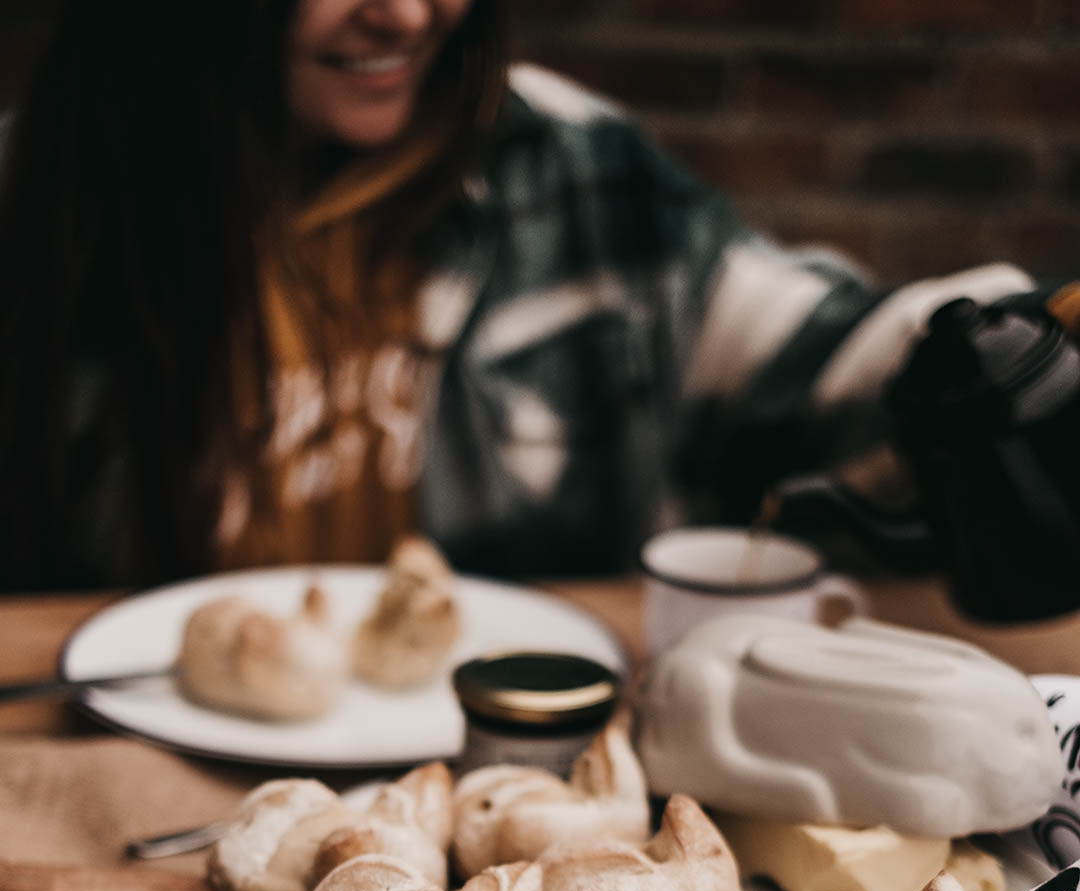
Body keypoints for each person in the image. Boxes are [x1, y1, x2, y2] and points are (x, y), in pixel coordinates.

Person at [0, 0, 1057, 591]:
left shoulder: (567, 167)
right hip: (128, 786)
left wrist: (1016, 344)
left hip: (512, 790)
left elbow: (829, 350)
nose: (406, 14)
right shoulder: (44, 205)